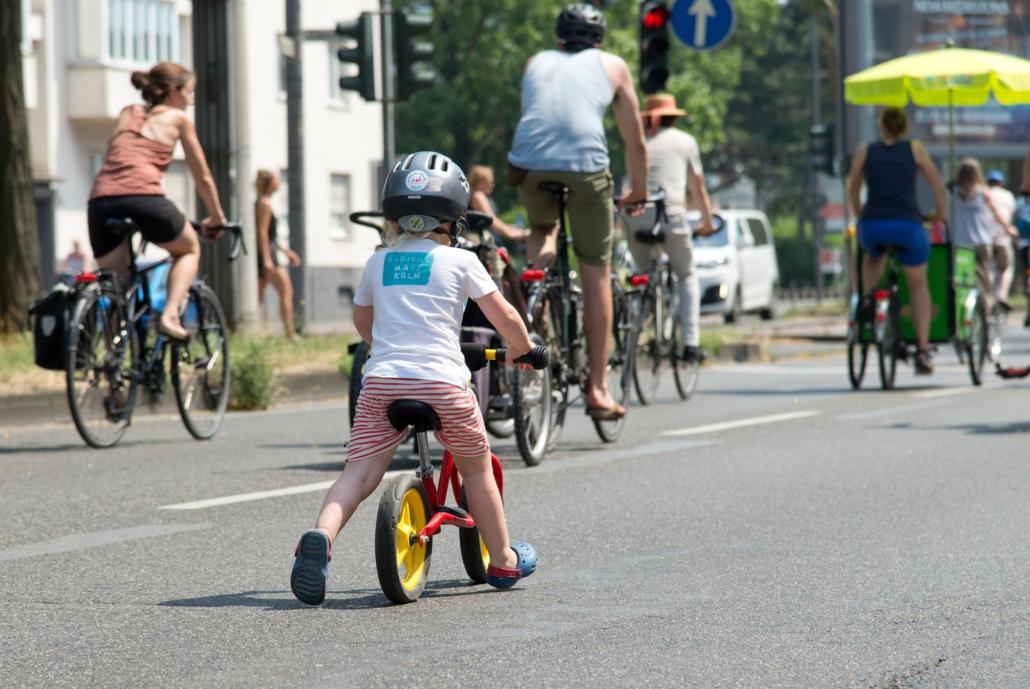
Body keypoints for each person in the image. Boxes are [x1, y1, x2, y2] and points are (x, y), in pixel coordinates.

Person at [290, 151, 537, 606]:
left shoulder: (377, 262)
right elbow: (503, 315)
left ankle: (322, 536)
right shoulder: (460, 261)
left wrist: (385, 344)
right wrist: (522, 349)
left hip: (382, 381)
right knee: (477, 469)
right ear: (454, 218)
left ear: (396, 216)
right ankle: (502, 558)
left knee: (359, 472)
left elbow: (364, 325)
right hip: (442, 383)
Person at [507, 3, 648, 420]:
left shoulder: (536, 61)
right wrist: (637, 190)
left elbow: (534, 116)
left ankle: (537, 296)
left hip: (527, 164)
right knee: (596, 270)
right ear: (599, 40)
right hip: (586, 169)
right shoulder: (614, 66)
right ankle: (599, 389)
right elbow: (635, 140)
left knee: (542, 225)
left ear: (559, 38)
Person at [87, 61, 228, 341]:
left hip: (100, 202)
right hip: (144, 199)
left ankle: (110, 366)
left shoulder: (128, 113)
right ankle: (170, 316)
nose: (191, 99)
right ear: (174, 91)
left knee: (118, 285)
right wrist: (217, 217)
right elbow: (202, 176)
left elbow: (112, 156)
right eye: (189, 92)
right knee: (188, 249)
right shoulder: (178, 119)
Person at [846, 106, 947, 375]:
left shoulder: (864, 151)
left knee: (872, 257)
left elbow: (853, 187)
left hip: (873, 225)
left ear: (881, 126)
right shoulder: (915, 149)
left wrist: (859, 214)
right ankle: (923, 350)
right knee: (917, 285)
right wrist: (940, 213)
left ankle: (868, 298)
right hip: (907, 225)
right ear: (904, 127)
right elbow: (937, 184)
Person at [623, 93, 715, 364]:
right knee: (687, 275)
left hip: (637, 216)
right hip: (671, 214)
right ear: (674, 117)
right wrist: (707, 221)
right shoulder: (686, 141)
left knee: (641, 275)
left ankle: (633, 334)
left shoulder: (636, 142)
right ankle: (691, 343)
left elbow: (629, 185)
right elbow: (698, 187)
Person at [950, 158, 1016, 317]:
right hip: (982, 241)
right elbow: (997, 215)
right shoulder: (983, 193)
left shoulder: (953, 192)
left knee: (962, 281)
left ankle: (962, 317)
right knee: (986, 279)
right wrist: (1008, 228)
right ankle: (987, 313)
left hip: (961, 243)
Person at [254, 169, 301, 338]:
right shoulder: (264, 204)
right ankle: (290, 333)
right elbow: (262, 233)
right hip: (268, 256)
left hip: (269, 253)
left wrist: (287, 252)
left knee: (259, 296)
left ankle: (259, 332)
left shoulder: (263, 202)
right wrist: (267, 259)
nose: (279, 183)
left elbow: (271, 236)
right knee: (285, 291)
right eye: (277, 180)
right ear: (270, 183)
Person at [469, 165, 528, 244]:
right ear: (481, 182)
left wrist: (508, 228)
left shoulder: (475, 195)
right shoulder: (478, 196)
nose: (493, 185)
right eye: (491, 182)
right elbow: (492, 220)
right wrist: (510, 233)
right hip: (477, 239)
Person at [985, 169, 1017, 310]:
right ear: (1001, 183)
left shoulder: (985, 194)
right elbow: (1010, 217)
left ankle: (989, 299)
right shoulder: (1008, 196)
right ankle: (1003, 295)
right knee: (1007, 268)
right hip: (1002, 238)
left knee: (988, 270)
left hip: (986, 238)